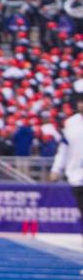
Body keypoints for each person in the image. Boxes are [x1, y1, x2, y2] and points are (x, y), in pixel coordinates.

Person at [51, 94, 83, 238]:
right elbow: (63, 149)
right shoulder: (71, 123)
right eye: (81, 102)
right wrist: (56, 169)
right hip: (76, 173)